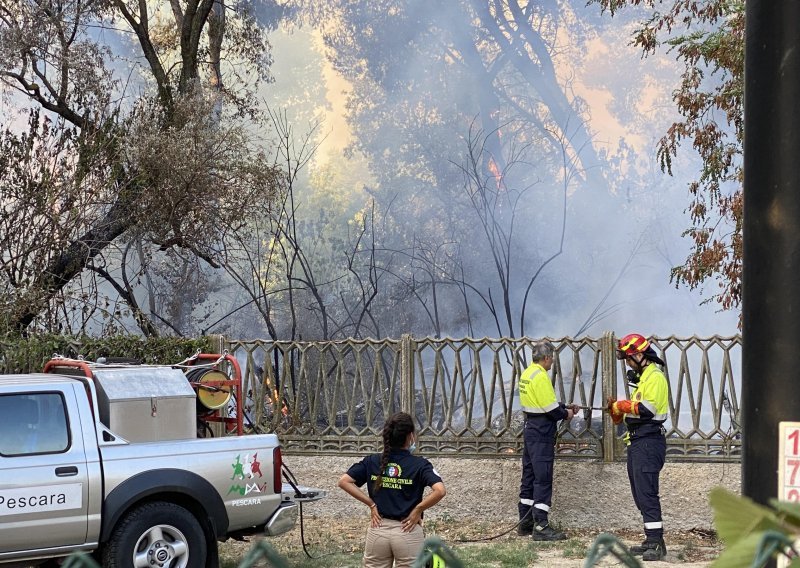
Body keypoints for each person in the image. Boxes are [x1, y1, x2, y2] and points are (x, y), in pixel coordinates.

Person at [338, 412, 446, 568]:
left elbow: (344, 481)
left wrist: (371, 504)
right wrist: (418, 509)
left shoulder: (372, 461)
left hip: (377, 530)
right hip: (407, 531)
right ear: (411, 436)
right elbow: (440, 491)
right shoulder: (420, 464)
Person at [607, 333, 670, 561]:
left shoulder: (654, 377)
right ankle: (653, 539)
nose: (626, 362)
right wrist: (618, 413)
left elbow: (647, 410)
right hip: (637, 442)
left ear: (640, 355)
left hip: (648, 442)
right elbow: (633, 413)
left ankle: (655, 542)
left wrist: (622, 405)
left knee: (647, 494)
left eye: (628, 358)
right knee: (640, 495)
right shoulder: (644, 378)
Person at [517, 340, 579, 540]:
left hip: (530, 428)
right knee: (543, 478)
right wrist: (567, 413)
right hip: (542, 432)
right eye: (551, 358)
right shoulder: (541, 376)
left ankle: (525, 522)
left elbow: (541, 401)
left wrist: (562, 405)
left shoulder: (527, 373)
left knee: (529, 476)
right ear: (546, 358)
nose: (552, 362)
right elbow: (551, 410)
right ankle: (541, 526)